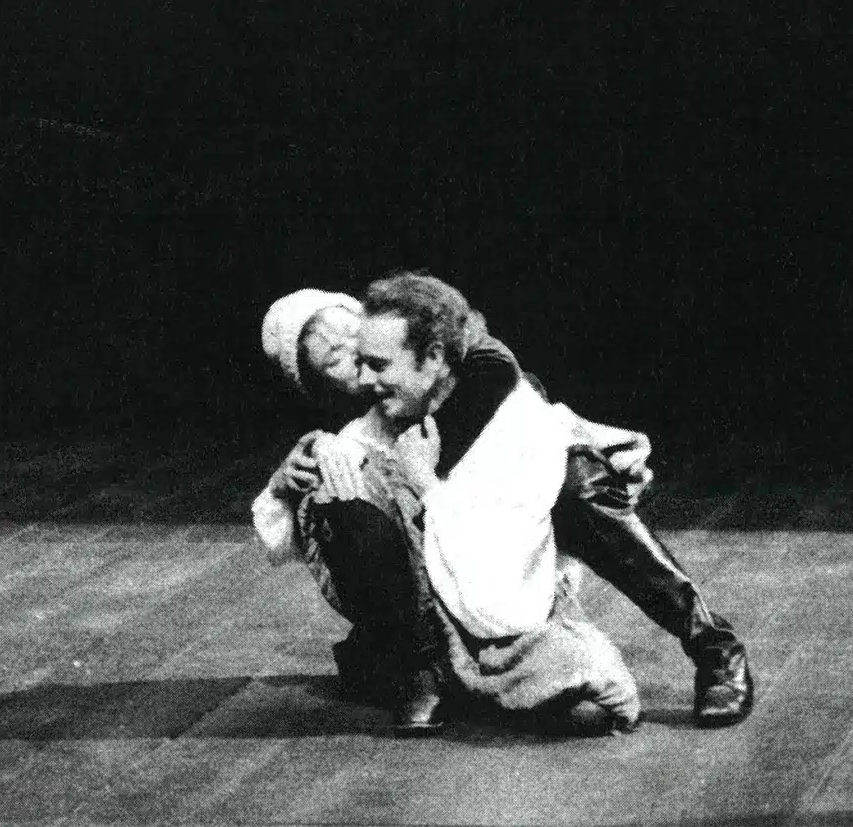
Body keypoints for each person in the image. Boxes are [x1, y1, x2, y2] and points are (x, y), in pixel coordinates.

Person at [352, 272, 754, 728]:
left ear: (434, 357)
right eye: (326, 360)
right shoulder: (375, 398)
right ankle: (413, 667)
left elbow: (509, 387)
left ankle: (714, 648)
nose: (357, 377)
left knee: (577, 485)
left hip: (506, 575)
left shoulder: (484, 377)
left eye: (374, 363)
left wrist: (428, 481)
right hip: (451, 593)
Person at [254, 290, 641, 737]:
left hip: (501, 588)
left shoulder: (473, 389)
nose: (361, 358)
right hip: (422, 603)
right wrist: (291, 481)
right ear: (323, 385)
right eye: (337, 357)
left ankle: (465, 680)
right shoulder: (351, 438)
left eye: (362, 335)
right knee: (333, 491)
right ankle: (421, 671)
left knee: (590, 700)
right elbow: (308, 535)